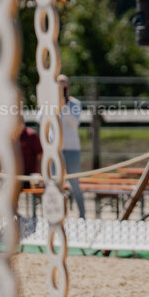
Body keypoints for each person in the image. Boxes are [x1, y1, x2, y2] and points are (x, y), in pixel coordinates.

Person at [58, 74, 86, 218]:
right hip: (55, 150)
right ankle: (57, 214)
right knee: (54, 183)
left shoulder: (75, 104)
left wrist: (64, 106)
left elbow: (74, 123)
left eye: (64, 86)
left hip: (72, 149)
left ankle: (82, 216)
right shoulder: (50, 103)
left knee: (75, 183)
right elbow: (40, 119)